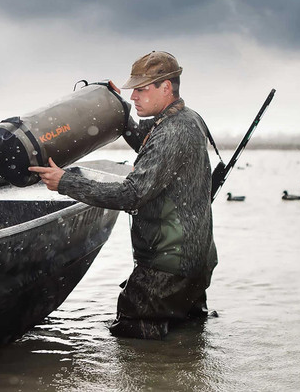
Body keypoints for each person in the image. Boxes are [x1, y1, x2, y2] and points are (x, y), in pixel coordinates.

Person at [29, 51, 217, 339]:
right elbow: (147, 144)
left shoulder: (171, 133)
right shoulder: (187, 120)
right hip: (194, 263)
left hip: (166, 269)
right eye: (131, 92)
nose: (134, 97)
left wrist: (65, 182)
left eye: (141, 90)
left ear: (165, 87)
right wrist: (115, 108)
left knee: (133, 343)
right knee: (186, 343)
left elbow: (131, 194)